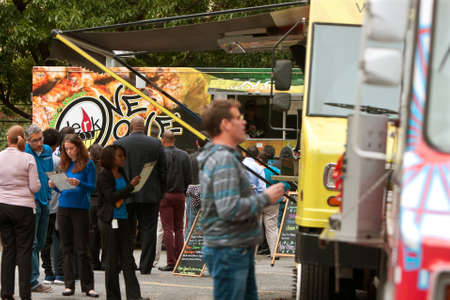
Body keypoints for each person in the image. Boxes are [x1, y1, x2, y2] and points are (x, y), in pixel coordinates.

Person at [197, 99, 285, 300]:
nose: (244, 122)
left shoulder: (223, 157)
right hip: (229, 250)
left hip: (232, 248)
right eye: (238, 118)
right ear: (225, 124)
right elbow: (228, 208)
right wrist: (266, 197)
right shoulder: (224, 160)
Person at [115, 116, 167, 275]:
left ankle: (127, 264)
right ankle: (145, 266)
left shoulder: (119, 144)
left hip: (127, 194)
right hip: (150, 195)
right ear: (144, 128)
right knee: (149, 230)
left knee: (127, 231)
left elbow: (114, 171)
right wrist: (160, 191)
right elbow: (163, 170)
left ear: (130, 128)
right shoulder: (156, 144)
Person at [97, 145, 149, 300]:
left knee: (128, 259)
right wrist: (130, 186)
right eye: (120, 156)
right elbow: (111, 197)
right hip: (110, 220)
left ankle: (134, 296)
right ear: (111, 158)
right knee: (112, 261)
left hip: (124, 218)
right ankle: (113, 296)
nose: (123, 158)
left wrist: (132, 186)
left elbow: (124, 193)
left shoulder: (121, 172)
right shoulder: (104, 175)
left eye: (123, 155)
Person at [50, 134, 99, 297]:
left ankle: (88, 286)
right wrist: (54, 185)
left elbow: (92, 188)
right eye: (66, 149)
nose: (69, 151)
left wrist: (80, 183)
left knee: (83, 248)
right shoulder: (63, 163)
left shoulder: (88, 164)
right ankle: (69, 284)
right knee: (66, 248)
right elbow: (61, 189)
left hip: (81, 208)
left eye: (72, 148)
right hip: (63, 208)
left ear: (79, 147)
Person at [0, 125, 41, 300]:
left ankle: (6, 293)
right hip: (24, 208)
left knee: (8, 249)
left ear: (7, 139)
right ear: (22, 139)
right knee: (24, 250)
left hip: (2, 206)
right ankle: (25, 294)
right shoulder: (28, 158)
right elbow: (34, 187)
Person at [24, 124, 54, 293]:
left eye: (41, 139)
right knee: (33, 242)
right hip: (32, 201)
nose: (39, 143)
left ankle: (31, 277)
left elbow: (52, 173)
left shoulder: (48, 150)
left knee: (41, 241)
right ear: (28, 140)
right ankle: (32, 280)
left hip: (45, 200)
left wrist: (56, 186)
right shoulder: (25, 153)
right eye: (35, 141)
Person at [159, 131, 192, 271]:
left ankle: (171, 261)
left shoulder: (160, 155)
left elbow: (158, 176)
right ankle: (180, 260)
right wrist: (184, 192)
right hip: (180, 195)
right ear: (174, 139)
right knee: (179, 229)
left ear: (163, 140)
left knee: (168, 229)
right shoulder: (184, 155)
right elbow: (189, 178)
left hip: (165, 196)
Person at [41, 127, 65, 285]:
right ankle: (60, 273)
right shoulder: (56, 161)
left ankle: (48, 273)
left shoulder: (36, 159)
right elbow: (62, 185)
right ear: (57, 144)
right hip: (57, 206)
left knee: (44, 240)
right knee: (60, 239)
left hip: (43, 205)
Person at [258, 151, 290, 258]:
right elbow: (286, 184)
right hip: (273, 202)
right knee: (272, 228)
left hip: (257, 202)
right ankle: (274, 253)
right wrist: (281, 195)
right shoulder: (275, 171)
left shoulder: (255, 170)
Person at [185, 134, 207, 240]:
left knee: (191, 224)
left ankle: (188, 252)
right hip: (209, 193)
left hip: (192, 192)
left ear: (197, 143)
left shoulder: (190, 158)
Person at [88, 144, 104, 270]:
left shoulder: (88, 168)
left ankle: (94, 261)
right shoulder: (106, 169)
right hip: (102, 203)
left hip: (90, 203)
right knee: (104, 233)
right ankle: (105, 261)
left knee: (92, 233)